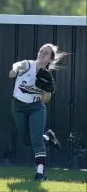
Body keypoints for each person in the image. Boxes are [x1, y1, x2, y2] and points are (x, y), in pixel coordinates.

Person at [9, 43, 68, 181]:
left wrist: (48, 90)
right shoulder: (28, 65)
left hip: (36, 108)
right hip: (18, 107)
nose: (42, 53)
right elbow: (18, 64)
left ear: (51, 59)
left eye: (46, 53)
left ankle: (40, 174)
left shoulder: (48, 79)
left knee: (36, 141)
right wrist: (15, 70)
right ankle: (48, 137)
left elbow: (45, 100)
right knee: (27, 141)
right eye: (41, 51)